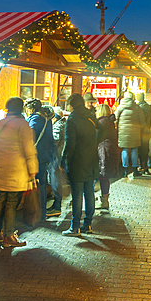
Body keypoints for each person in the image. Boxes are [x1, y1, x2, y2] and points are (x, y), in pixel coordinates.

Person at [0, 96, 38, 248]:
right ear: (21, 108)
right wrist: (33, 171)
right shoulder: (23, 125)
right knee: (11, 203)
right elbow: (29, 150)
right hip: (15, 170)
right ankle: (9, 236)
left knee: (1, 201)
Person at [61, 93, 100, 236]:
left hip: (77, 161)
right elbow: (98, 135)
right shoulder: (91, 117)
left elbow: (70, 143)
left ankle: (75, 227)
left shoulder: (72, 119)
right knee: (89, 192)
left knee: (77, 195)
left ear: (71, 105)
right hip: (91, 160)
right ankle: (88, 224)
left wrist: (64, 160)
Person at [26, 98, 56, 221]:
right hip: (44, 155)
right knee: (42, 184)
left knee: (37, 185)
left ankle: (36, 213)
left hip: (36, 156)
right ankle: (41, 212)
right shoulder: (46, 119)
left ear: (32, 109)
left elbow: (30, 135)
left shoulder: (35, 119)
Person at [115, 92, 145, 179]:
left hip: (123, 132)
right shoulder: (137, 107)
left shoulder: (120, 107)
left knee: (124, 150)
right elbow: (142, 120)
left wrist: (117, 128)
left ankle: (125, 171)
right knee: (134, 150)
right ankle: (135, 170)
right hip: (135, 132)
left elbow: (115, 119)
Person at [95, 102, 119, 211]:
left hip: (102, 151)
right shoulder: (110, 122)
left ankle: (103, 202)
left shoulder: (101, 122)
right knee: (105, 177)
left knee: (102, 176)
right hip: (109, 150)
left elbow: (96, 138)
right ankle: (105, 200)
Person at [48, 106, 66, 216]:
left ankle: (57, 206)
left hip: (56, 158)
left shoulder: (57, 126)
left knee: (55, 181)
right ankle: (56, 205)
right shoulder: (62, 124)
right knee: (56, 181)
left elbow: (54, 141)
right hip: (58, 158)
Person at [135, 91, 151, 175]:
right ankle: (146, 167)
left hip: (141, 131)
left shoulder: (139, 107)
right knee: (146, 149)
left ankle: (142, 167)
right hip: (147, 130)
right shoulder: (148, 107)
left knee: (141, 150)